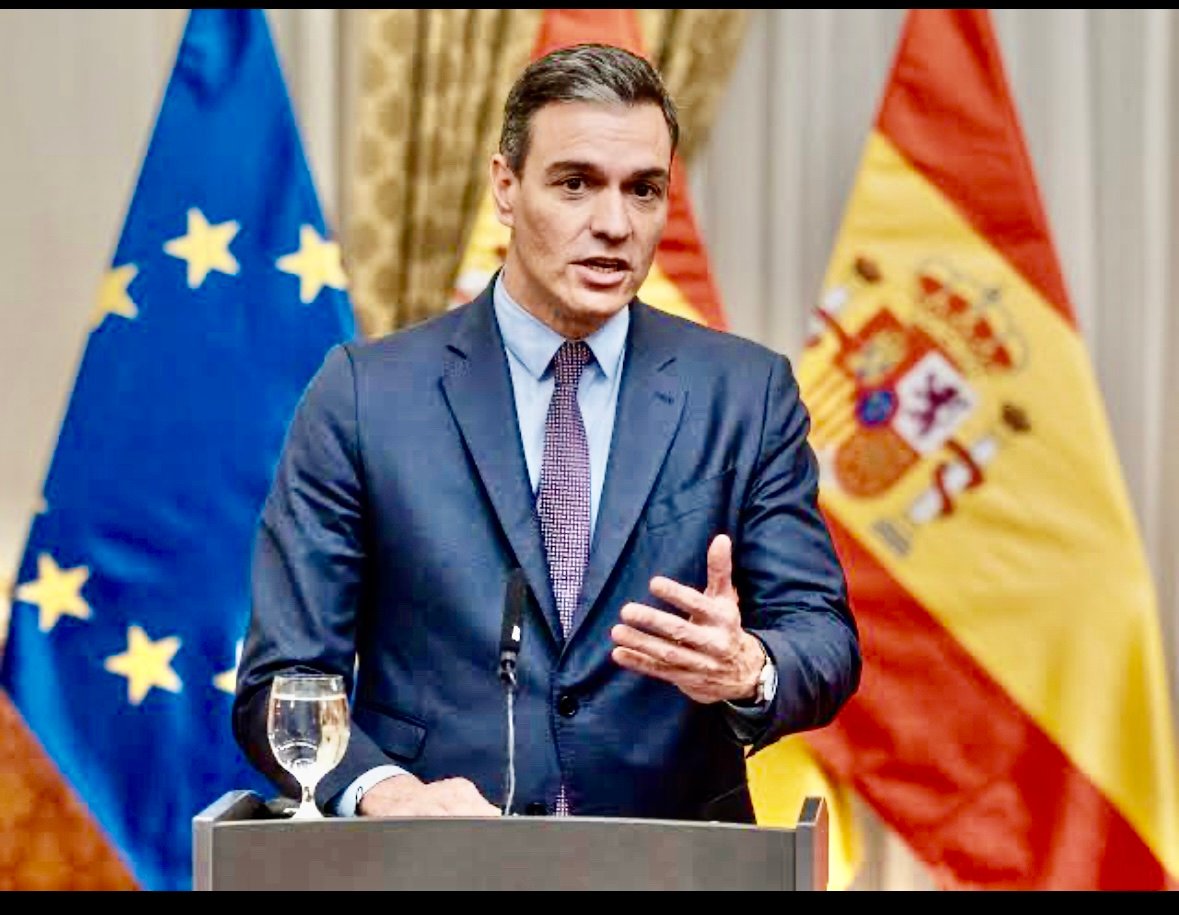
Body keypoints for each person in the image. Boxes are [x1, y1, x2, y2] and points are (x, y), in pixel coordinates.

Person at [232, 42, 860, 822]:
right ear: (505, 186)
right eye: (575, 184)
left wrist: (749, 667)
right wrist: (389, 794)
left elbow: (823, 639)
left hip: (673, 857)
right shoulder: (364, 394)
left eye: (643, 190)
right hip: (435, 860)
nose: (613, 224)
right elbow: (283, 682)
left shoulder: (744, 393)